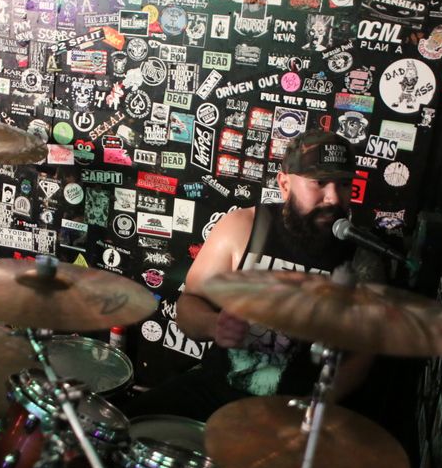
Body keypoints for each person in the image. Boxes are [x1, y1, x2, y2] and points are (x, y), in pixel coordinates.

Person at [121, 129, 385, 423]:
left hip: (293, 410)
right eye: (319, 183)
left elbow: (362, 355)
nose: (333, 197)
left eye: (345, 184)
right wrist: (213, 325)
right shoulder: (242, 227)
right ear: (284, 183)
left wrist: (317, 405)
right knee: (128, 424)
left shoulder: (361, 258)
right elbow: (189, 305)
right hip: (216, 389)